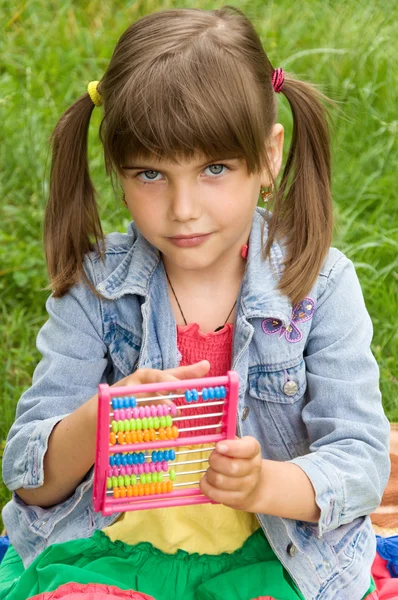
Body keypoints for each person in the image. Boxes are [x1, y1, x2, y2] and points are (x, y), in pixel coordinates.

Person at [0, 6, 390, 600]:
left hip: (271, 552)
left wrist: (263, 484)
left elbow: (360, 461)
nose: (183, 208)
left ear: (268, 157)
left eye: (214, 169)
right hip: (116, 551)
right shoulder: (97, 288)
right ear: (119, 172)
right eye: (150, 175)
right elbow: (29, 479)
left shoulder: (320, 284)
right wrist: (99, 423)